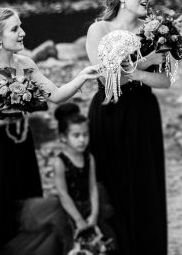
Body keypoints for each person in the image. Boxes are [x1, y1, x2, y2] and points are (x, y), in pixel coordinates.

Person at [0, 7, 101, 255]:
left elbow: (57, 96)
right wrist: (7, 116)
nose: (22, 33)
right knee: (1, 220)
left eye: (21, 26)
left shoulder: (26, 63)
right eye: (15, 29)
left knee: (30, 218)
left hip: (23, 149)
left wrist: (82, 77)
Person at [86, 0, 170, 255]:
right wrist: (144, 64)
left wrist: (136, 73)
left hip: (143, 114)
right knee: (113, 184)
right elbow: (108, 78)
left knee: (146, 186)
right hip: (109, 115)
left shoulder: (156, 30)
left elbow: (165, 81)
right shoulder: (99, 30)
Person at [53, 103, 116, 251]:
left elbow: (93, 187)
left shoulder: (89, 158)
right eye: (76, 135)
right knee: (72, 246)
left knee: (98, 244)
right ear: (63, 137)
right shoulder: (60, 162)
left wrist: (94, 214)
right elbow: (63, 194)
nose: (82, 140)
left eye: (85, 134)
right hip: (69, 212)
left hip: (90, 207)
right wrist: (78, 220)